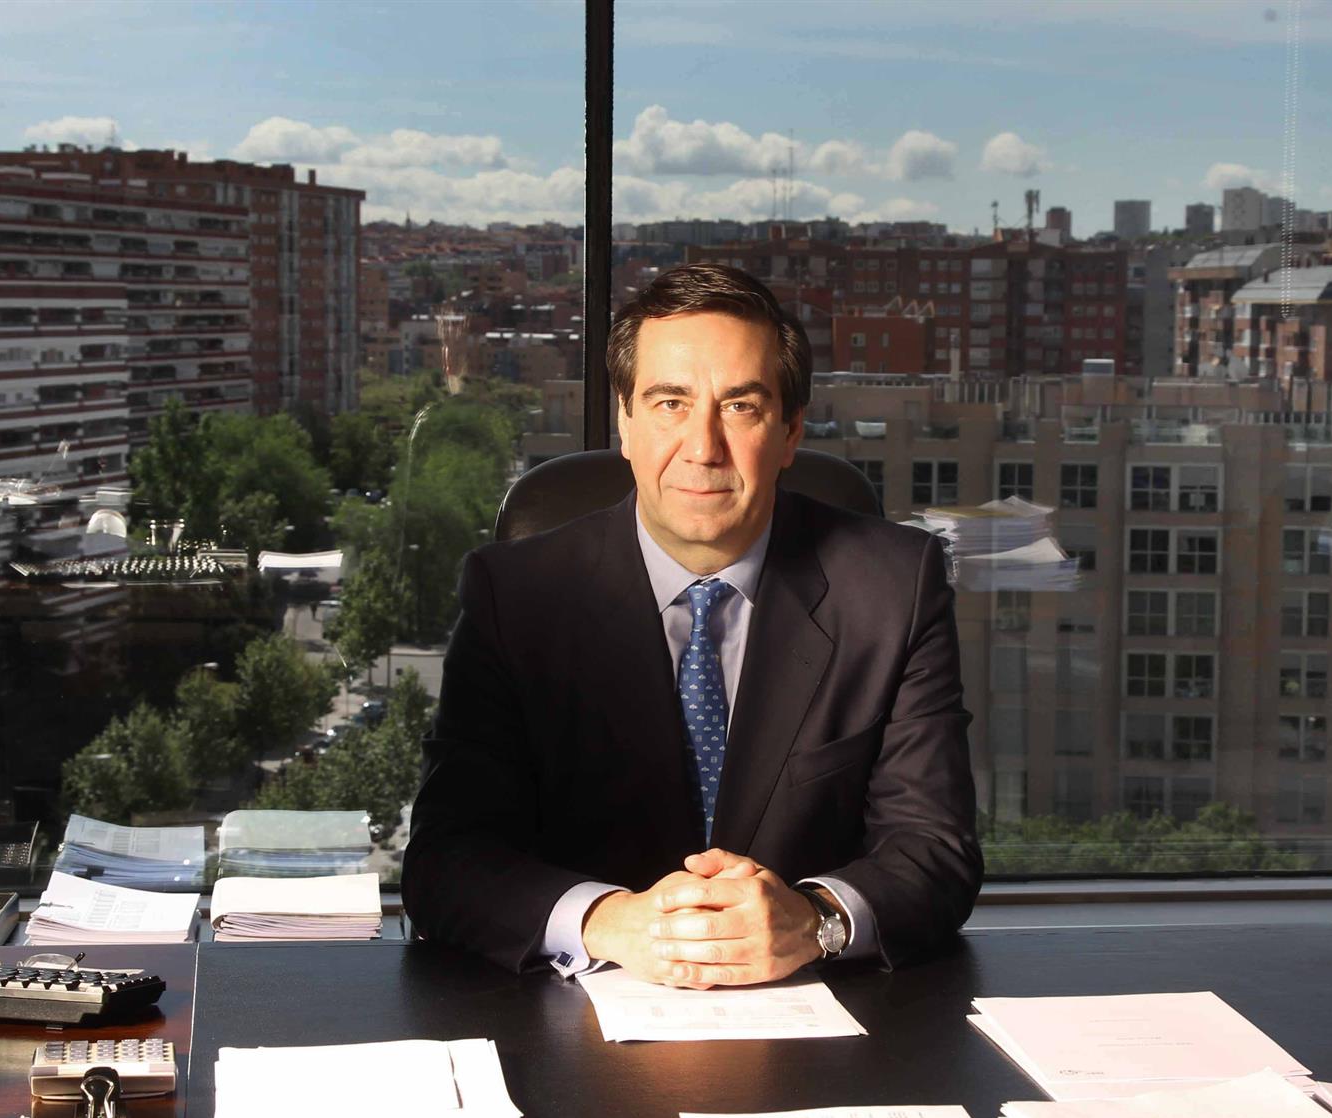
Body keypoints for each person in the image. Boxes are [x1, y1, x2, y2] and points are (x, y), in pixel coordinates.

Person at [404, 262, 980, 987]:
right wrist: (605, 919)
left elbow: (933, 848)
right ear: (625, 422)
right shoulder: (514, 595)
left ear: (791, 432)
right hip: (572, 1018)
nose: (703, 447)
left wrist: (814, 919)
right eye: (670, 402)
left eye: (740, 406)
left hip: (817, 1014)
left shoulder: (894, 587)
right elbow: (445, 860)